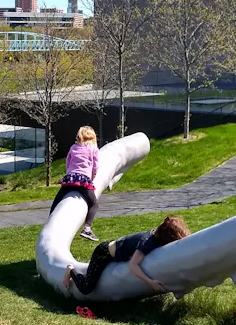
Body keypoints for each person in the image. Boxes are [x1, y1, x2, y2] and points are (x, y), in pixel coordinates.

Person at [63, 215, 191, 294]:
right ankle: (71, 270)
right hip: (103, 254)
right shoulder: (147, 243)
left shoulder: (156, 240)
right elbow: (133, 266)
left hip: (117, 252)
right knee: (87, 288)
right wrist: (150, 282)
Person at [49, 126, 100, 241]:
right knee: (93, 204)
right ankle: (87, 228)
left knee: (57, 201)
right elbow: (96, 167)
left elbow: (68, 163)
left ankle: (50, 222)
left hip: (70, 179)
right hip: (83, 180)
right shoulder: (93, 149)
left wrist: (69, 175)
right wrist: (91, 178)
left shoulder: (73, 147)